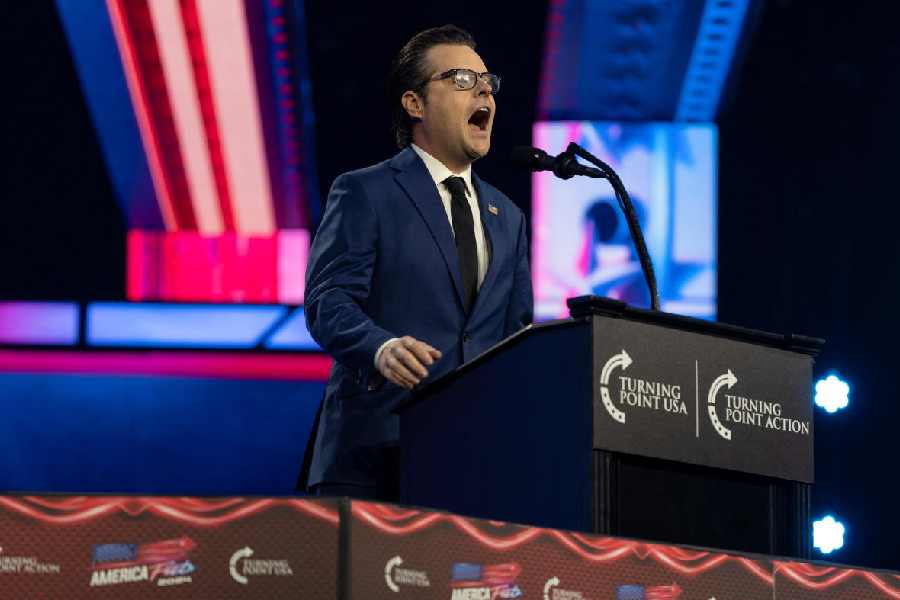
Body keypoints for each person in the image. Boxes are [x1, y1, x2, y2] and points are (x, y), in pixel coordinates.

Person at [301, 24, 533, 500]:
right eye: (462, 80)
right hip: (373, 458)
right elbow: (327, 300)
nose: (484, 89)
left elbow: (515, 341)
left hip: (471, 467)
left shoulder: (508, 218)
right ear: (415, 104)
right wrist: (379, 348)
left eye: (488, 81)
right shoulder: (366, 191)